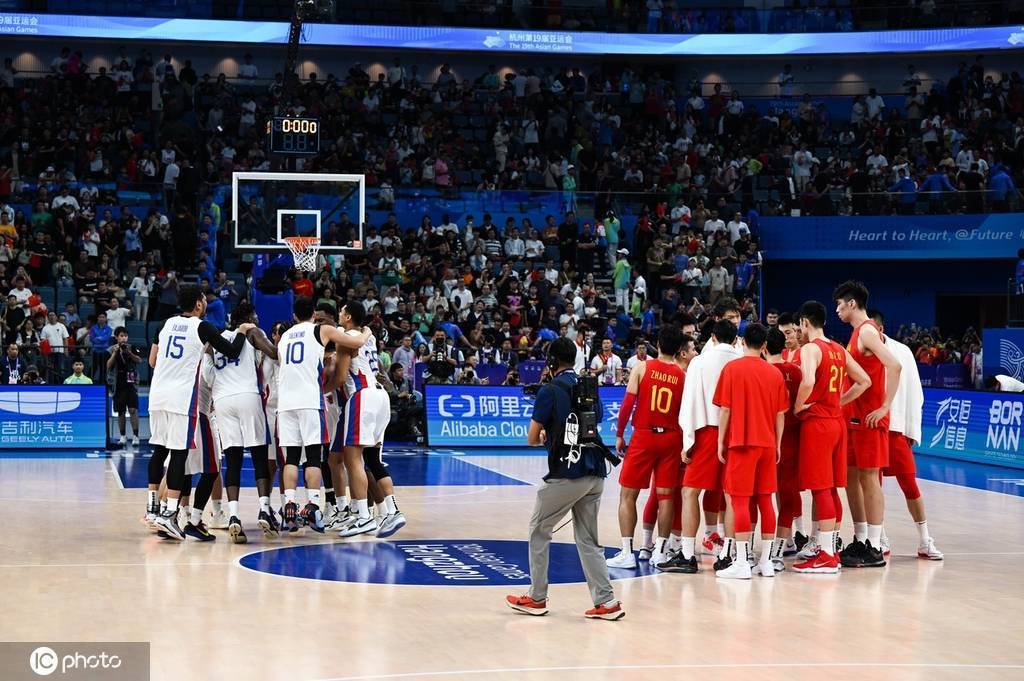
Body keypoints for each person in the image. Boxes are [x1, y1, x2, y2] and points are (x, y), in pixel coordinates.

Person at [506, 337, 624, 621]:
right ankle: (606, 602)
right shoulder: (588, 386)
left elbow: (531, 438)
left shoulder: (549, 390)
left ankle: (536, 597)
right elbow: (589, 422)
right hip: (595, 471)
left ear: (551, 361)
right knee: (588, 539)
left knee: (539, 529)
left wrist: (545, 433)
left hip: (567, 473)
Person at [146, 286, 255, 541]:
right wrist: (241, 331)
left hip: (157, 394)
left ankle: (153, 509)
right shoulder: (202, 327)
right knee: (179, 454)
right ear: (198, 304)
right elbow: (232, 351)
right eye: (204, 300)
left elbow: (152, 361)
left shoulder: (164, 324)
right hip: (181, 398)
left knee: (159, 449)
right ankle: (170, 514)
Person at [275, 297, 370, 535]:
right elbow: (356, 341)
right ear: (314, 315)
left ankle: (289, 504)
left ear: (294, 316)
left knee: (291, 458)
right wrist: (368, 331)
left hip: (285, 403)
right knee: (313, 458)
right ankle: (313, 506)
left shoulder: (284, 337)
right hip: (309, 400)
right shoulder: (322, 330)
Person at [792, 301, 871, 574]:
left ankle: (826, 554)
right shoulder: (838, 349)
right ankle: (831, 548)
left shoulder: (810, 349)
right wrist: (839, 401)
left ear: (805, 322)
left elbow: (808, 381)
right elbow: (864, 381)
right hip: (838, 422)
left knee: (821, 489)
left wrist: (798, 406)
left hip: (818, 424)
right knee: (832, 488)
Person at [711, 323, 790, 579]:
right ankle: (766, 562)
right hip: (767, 444)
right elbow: (780, 415)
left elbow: (725, 409)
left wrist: (720, 441)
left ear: (742, 342)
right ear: (765, 345)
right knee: (766, 500)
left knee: (740, 501)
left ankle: (743, 562)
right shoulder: (775, 373)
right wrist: (778, 444)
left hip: (741, 443)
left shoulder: (731, 369)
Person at [606, 326, 687, 570]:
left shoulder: (642, 368)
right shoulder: (682, 376)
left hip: (644, 436)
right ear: (679, 349)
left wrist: (619, 434)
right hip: (671, 438)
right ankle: (660, 552)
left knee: (627, 495)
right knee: (666, 497)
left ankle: (627, 553)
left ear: (658, 344)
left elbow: (627, 405)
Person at [664, 319, 741, 574]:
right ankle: (729, 554)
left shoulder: (699, 362)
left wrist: (688, 441)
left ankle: (687, 554)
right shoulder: (741, 360)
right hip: (736, 433)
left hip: (707, 431)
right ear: (735, 339)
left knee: (690, 492)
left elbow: (690, 403)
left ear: (713, 338)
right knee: (732, 496)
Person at [834, 280, 901, 568]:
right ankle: (861, 538)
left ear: (852, 303)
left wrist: (885, 406)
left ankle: (874, 544)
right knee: (851, 477)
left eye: (840, 304)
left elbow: (894, 366)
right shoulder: (856, 333)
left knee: (870, 479)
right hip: (854, 417)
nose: (837, 310)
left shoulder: (867, 332)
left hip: (870, 419)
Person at [869, 310, 943, 560]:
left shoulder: (901, 351)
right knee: (872, 485)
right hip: (870, 428)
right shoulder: (857, 349)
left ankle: (925, 539)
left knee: (910, 484)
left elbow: (915, 391)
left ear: (879, 329)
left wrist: (912, 429)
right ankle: (878, 537)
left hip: (895, 428)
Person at [208, 302, 279, 543]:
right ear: (247, 318)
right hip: (247, 395)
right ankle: (264, 510)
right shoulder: (252, 332)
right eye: (255, 317)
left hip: (222, 400)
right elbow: (274, 353)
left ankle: (234, 516)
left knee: (233, 460)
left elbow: (207, 373)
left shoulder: (216, 338)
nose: (257, 321)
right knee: (259, 456)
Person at [335, 302, 402, 538]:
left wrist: (323, 389)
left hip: (362, 395)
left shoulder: (346, 338)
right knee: (373, 459)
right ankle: (392, 510)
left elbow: (341, 377)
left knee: (352, 458)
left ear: (348, 317)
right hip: (380, 397)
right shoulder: (369, 337)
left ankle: (363, 516)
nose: (339, 314)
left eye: (341, 311)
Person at [107, 327, 143, 446]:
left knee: (133, 410)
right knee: (121, 411)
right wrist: (115, 353)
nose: (124, 338)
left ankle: (136, 436)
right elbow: (108, 365)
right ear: (116, 337)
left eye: (125, 336)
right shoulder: (111, 349)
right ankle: (123, 436)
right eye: (121, 336)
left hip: (131, 383)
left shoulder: (132, 347)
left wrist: (129, 353)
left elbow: (139, 360)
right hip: (117, 383)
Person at [89, 312, 113, 383]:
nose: (101, 319)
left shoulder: (109, 329)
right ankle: (89, 382)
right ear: (97, 318)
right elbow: (92, 339)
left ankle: (102, 383)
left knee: (104, 368)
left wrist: (98, 338)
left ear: (106, 319)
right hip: (95, 351)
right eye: (100, 317)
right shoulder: (93, 328)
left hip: (105, 351)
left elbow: (107, 338)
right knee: (93, 368)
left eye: (103, 317)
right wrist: (101, 338)